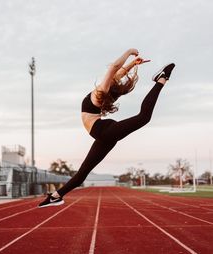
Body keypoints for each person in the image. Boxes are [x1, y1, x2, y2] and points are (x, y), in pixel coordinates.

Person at [38, 48, 175, 208]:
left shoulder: (101, 91)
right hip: (103, 133)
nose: (116, 79)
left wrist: (130, 53)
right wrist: (132, 62)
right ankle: (55, 196)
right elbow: (117, 71)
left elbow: (114, 68)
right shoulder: (104, 91)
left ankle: (162, 79)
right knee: (83, 172)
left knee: (143, 117)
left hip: (104, 131)